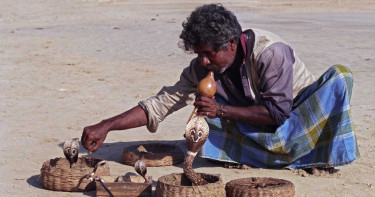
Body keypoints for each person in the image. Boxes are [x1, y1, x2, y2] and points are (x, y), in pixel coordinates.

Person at [81, 4, 359, 172]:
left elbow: (278, 113)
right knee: (201, 119)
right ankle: (276, 157)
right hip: (255, 124)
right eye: (198, 53)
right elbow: (160, 105)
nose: (203, 62)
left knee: (341, 77)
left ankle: (307, 155)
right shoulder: (202, 67)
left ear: (231, 45)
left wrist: (222, 110)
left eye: (209, 54)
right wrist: (106, 125)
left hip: (298, 121)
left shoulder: (270, 53)